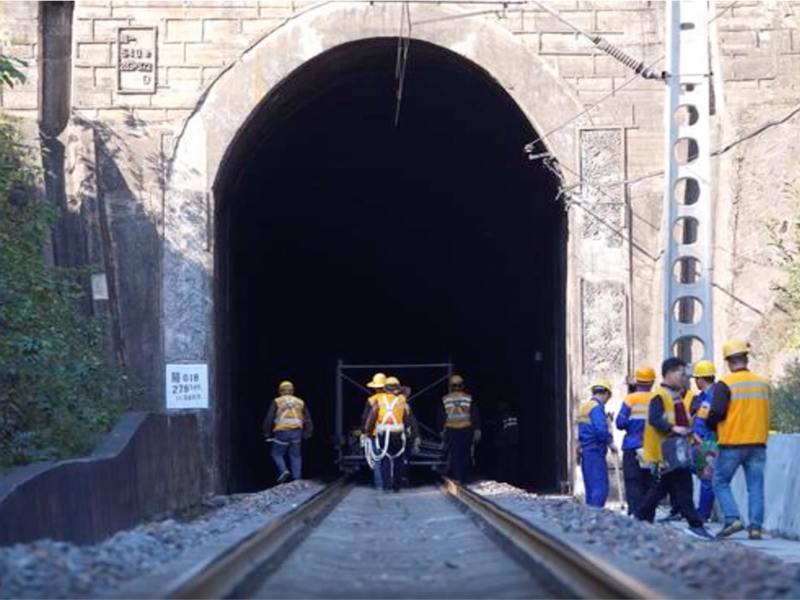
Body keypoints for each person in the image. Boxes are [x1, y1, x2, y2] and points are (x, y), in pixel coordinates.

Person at [635, 358, 713, 539]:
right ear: (669, 373)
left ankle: (638, 519)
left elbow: (683, 420)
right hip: (667, 451)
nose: (685, 377)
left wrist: (692, 435)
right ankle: (695, 524)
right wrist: (673, 428)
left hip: (676, 450)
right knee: (680, 488)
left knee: (663, 489)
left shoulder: (676, 395)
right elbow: (655, 419)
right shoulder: (660, 395)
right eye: (681, 373)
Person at [707, 340, 771, 540]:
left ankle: (732, 518)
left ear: (728, 361)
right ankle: (755, 527)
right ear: (746, 358)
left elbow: (716, 412)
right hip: (758, 444)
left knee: (720, 481)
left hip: (732, 443)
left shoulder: (725, 384)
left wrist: (710, 425)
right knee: (755, 486)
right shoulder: (763, 383)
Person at [365, 376, 418, 492]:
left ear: (385, 388)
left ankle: (386, 486)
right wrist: (409, 433)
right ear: (397, 388)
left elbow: (371, 418)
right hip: (398, 434)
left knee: (385, 459)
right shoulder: (401, 400)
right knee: (398, 459)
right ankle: (397, 486)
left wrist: (368, 432)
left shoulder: (379, 401)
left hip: (383, 434)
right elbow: (407, 419)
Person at [616, 366, 656, 516]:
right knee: (650, 483)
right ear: (652, 382)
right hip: (652, 448)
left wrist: (631, 424)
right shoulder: (657, 398)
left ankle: (634, 513)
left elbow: (620, 423)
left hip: (632, 446)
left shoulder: (630, 399)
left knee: (633, 482)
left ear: (637, 381)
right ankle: (648, 516)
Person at [263, 380, 313, 484]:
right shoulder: (300, 402)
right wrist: (308, 432)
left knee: (277, 454)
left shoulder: (277, 401)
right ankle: (297, 478)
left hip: (281, 432)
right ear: (292, 391)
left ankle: (283, 470)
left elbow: (269, 418)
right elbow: (307, 419)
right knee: (296, 455)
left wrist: (267, 434)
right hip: (296, 432)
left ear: (280, 391)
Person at [577, 379, 615, 508]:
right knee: (600, 488)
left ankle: (590, 516)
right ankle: (596, 516)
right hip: (595, 451)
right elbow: (600, 430)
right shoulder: (597, 408)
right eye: (608, 397)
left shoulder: (586, 407)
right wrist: (610, 442)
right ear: (606, 393)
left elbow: (587, 428)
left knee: (591, 488)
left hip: (586, 450)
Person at [690, 359, 718, 522]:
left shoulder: (714, 396)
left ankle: (703, 514)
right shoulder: (701, 397)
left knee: (706, 478)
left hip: (708, 441)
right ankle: (697, 511)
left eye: (696, 379)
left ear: (700, 379)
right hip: (697, 441)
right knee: (688, 470)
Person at [441, 374, 481, 483]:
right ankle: (465, 477)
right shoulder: (468, 398)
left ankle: (458, 477)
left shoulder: (445, 399)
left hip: (451, 431)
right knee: (466, 454)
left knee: (455, 454)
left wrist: (441, 430)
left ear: (451, 386)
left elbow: (441, 416)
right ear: (462, 385)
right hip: (466, 430)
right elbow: (474, 415)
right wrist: (477, 429)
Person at [363, 372, 387, 490]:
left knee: (377, 459)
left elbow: (366, 418)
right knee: (389, 459)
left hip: (375, 434)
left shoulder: (371, 400)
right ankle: (390, 483)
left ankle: (379, 485)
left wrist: (365, 431)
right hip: (392, 433)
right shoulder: (394, 399)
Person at [494, 402, 520, 484]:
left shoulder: (504, 415)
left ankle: (504, 480)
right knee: (510, 463)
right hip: (510, 442)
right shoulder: (510, 415)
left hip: (505, 443)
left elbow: (503, 430)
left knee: (503, 463)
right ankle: (510, 480)